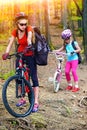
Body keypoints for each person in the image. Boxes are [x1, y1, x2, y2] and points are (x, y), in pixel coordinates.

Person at [2, 12, 39, 112]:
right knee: (19, 77)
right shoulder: (15, 32)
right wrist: (6, 53)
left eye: (25, 24)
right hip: (20, 54)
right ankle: (22, 99)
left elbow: (29, 38)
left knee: (34, 78)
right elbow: (10, 42)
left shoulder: (29, 29)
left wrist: (29, 45)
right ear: (17, 24)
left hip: (30, 55)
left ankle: (35, 102)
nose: (24, 26)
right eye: (21, 24)